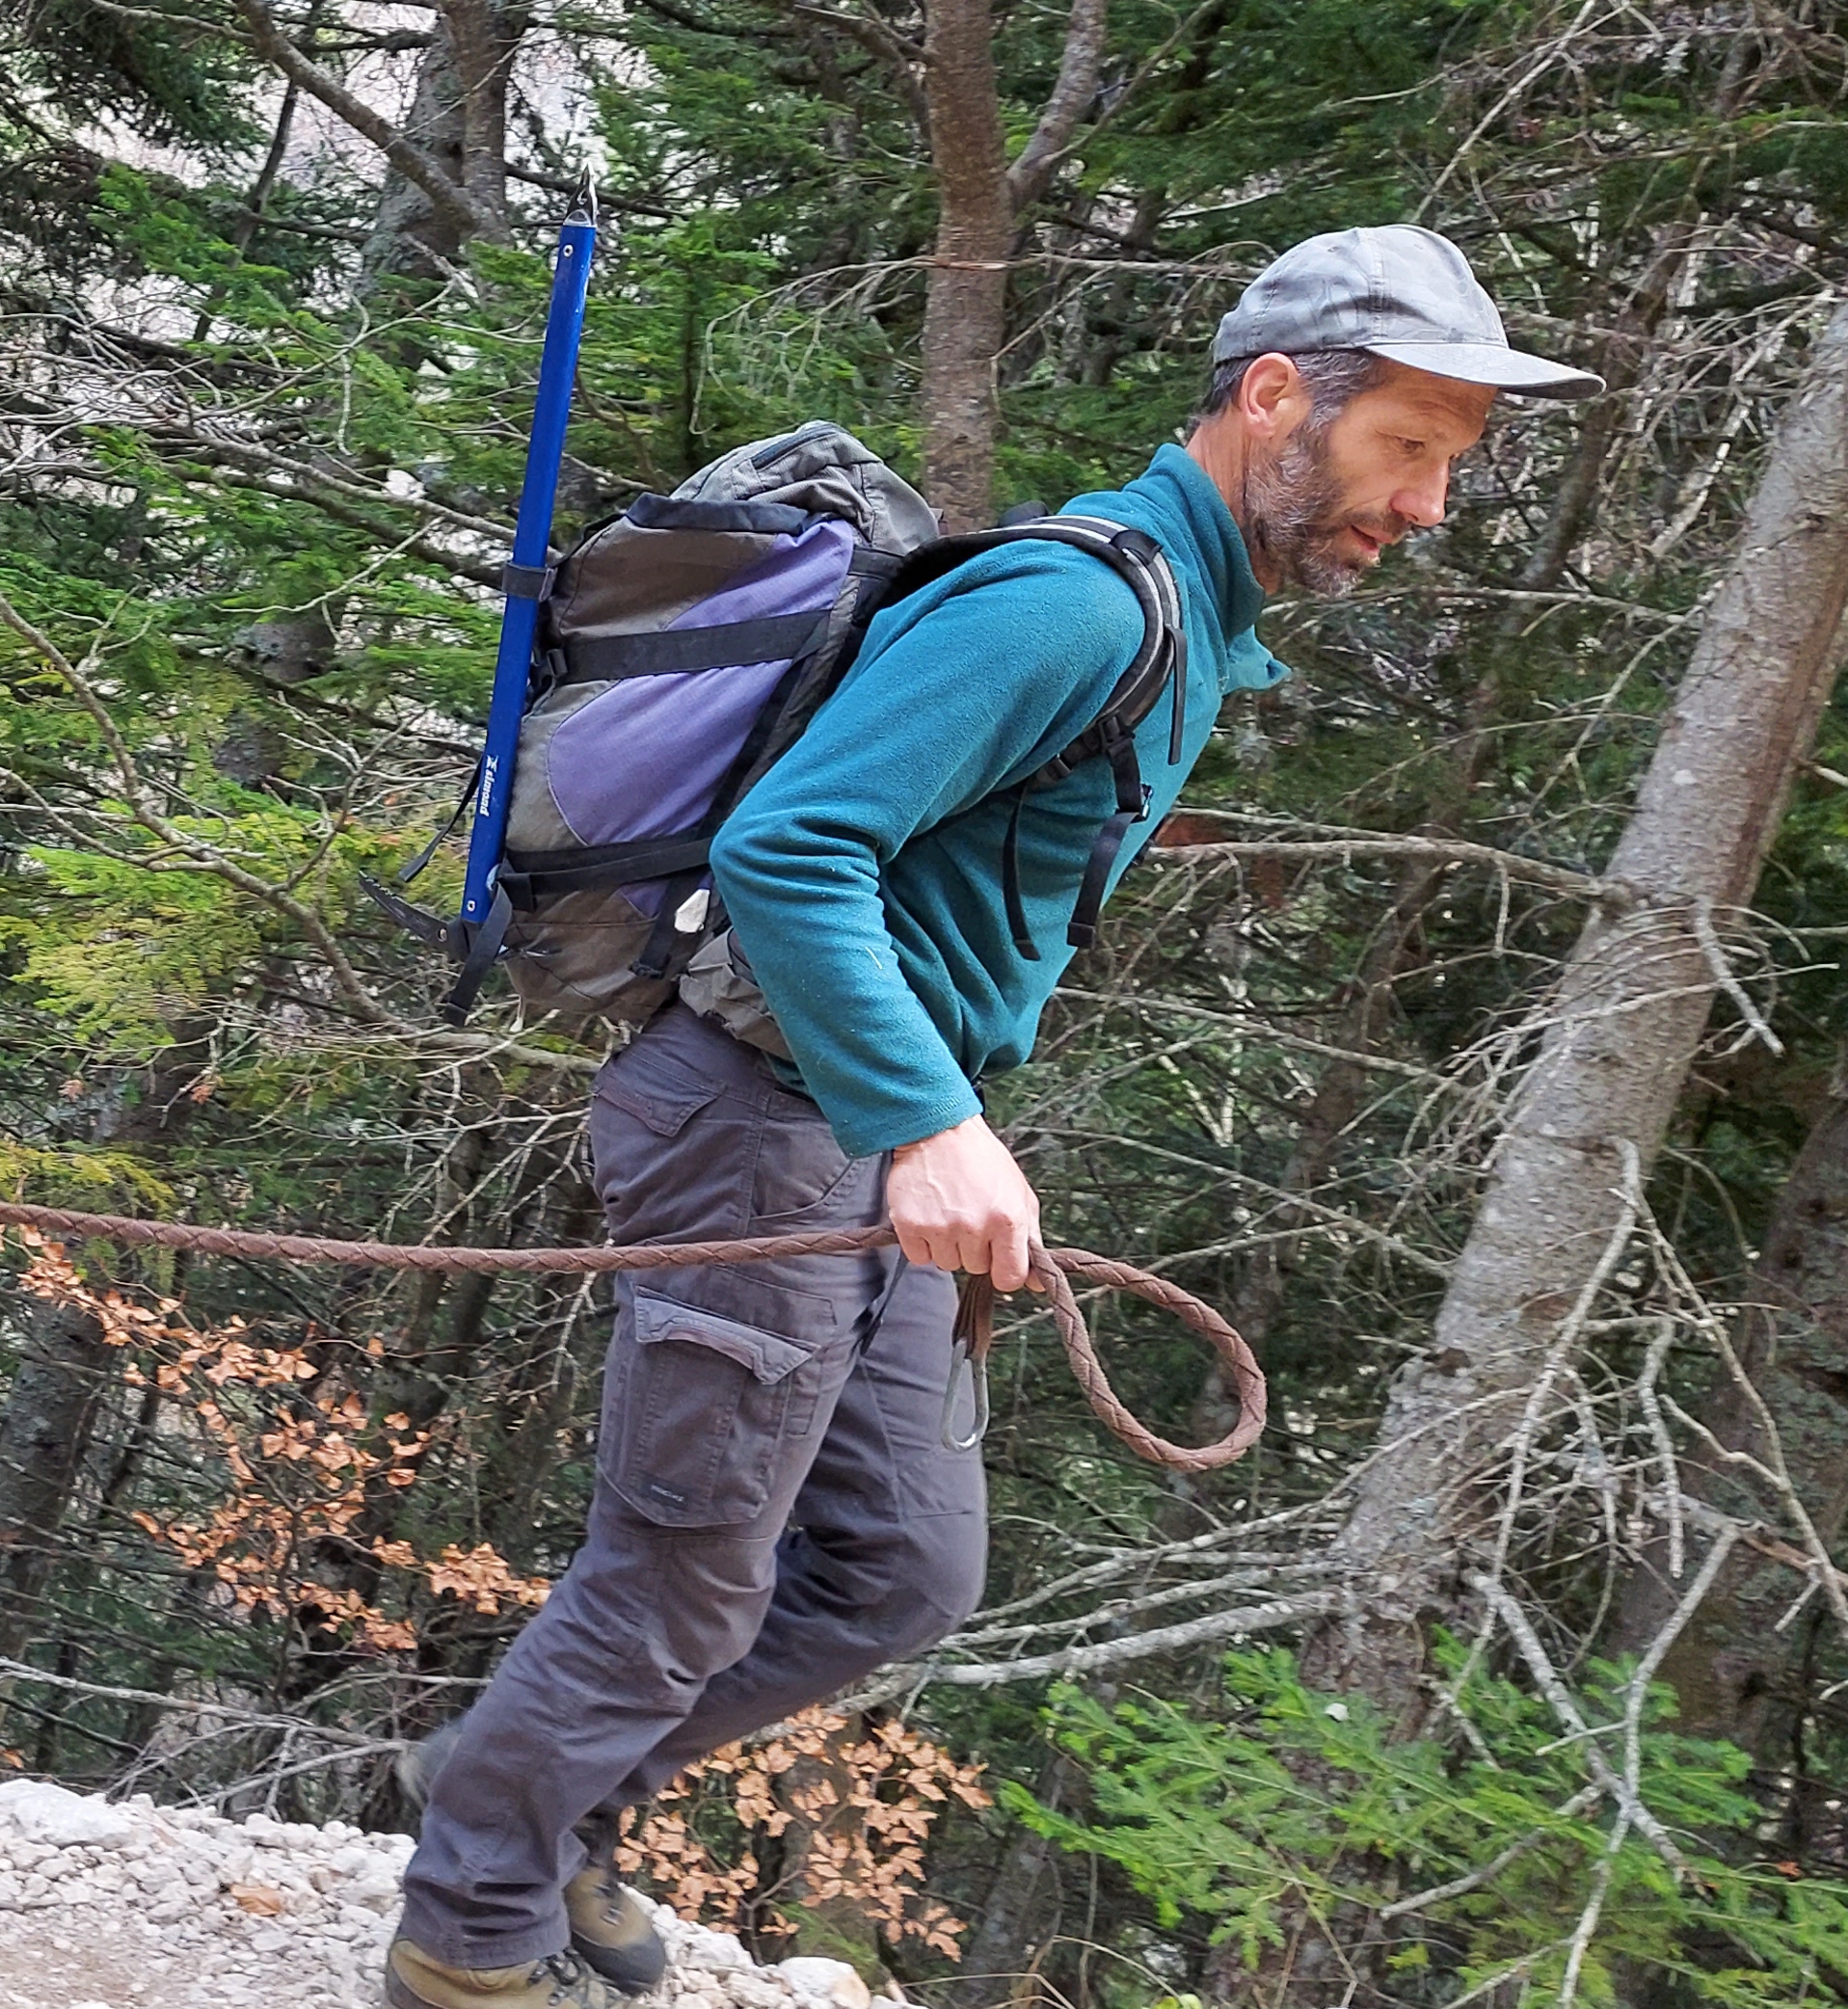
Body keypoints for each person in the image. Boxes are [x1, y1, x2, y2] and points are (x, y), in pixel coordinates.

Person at [384, 225, 1605, 2009]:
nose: (1427, 503)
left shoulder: (1190, 617)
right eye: (1407, 447)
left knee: (897, 1574)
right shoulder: (1078, 605)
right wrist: (932, 1119)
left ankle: (527, 1801)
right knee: (693, 1564)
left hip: (859, 1142)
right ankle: (469, 1930)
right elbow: (790, 850)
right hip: (755, 1114)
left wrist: (921, 1130)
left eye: (1448, 465)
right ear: (1276, 396)